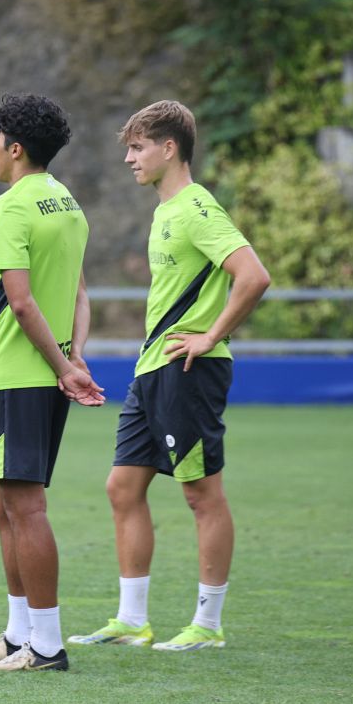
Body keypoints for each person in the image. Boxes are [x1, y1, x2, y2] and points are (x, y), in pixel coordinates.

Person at [68, 100, 269, 652]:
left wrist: (211, 336)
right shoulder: (164, 211)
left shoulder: (196, 208)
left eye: (137, 147)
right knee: (122, 486)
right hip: (153, 368)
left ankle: (208, 624)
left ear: (169, 148)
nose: (129, 159)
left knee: (202, 493)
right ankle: (132, 620)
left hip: (189, 369)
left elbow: (252, 275)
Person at [0, 94, 104, 674]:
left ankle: (46, 646)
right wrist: (75, 359)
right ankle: (19, 630)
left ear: (16, 148)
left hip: (19, 373)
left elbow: (22, 303)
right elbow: (79, 294)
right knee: (2, 498)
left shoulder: (10, 208)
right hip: (48, 372)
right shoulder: (69, 205)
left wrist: (61, 367)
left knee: (25, 506)